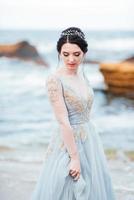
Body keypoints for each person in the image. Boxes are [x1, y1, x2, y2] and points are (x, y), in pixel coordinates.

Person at [31, 27, 116, 200]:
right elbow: (63, 121)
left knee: (94, 187)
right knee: (69, 188)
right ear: (59, 53)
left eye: (76, 54)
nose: (71, 59)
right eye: (66, 54)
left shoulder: (83, 76)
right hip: (68, 143)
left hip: (90, 140)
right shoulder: (55, 80)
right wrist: (74, 158)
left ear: (84, 53)